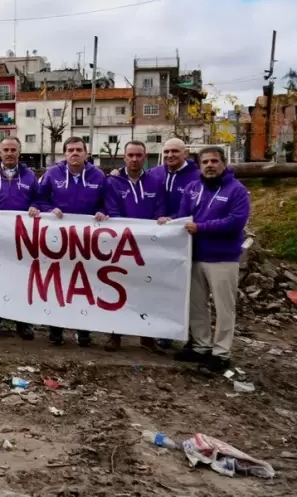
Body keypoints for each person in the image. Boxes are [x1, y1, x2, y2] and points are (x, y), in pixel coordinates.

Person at [174, 147, 250, 373]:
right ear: (199, 165)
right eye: (205, 161)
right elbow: (182, 217)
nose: (209, 165)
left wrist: (200, 227)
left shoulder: (237, 190)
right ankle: (201, 345)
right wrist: (169, 222)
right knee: (197, 305)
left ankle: (221, 352)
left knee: (224, 307)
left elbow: (235, 221)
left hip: (223, 259)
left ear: (223, 163)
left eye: (214, 161)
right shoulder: (192, 188)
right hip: (195, 256)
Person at [33, 136, 107, 347]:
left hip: (87, 241)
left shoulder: (98, 176)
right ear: (64, 154)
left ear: (86, 153)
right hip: (58, 240)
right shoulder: (52, 174)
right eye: (70, 150)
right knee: (59, 284)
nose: (74, 153)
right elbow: (40, 200)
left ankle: (83, 330)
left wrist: (102, 212)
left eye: (78, 150)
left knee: (85, 286)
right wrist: (49, 209)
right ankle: (56, 329)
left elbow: (107, 203)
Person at [102, 140, 169, 353]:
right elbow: (111, 210)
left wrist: (158, 225)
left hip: (147, 246)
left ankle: (147, 336)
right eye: (130, 155)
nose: (134, 159)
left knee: (146, 290)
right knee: (118, 290)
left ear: (145, 156)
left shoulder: (156, 182)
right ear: (124, 157)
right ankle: (115, 334)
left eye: (138, 155)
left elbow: (160, 210)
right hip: (120, 245)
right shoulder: (112, 181)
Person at [0, 136, 39, 340]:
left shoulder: (30, 175)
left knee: (21, 281)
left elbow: (39, 199)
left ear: (19, 152)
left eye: (14, 150)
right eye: (6, 150)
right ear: (0, 153)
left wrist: (35, 206)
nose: (10, 153)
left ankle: (23, 323)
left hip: (22, 238)